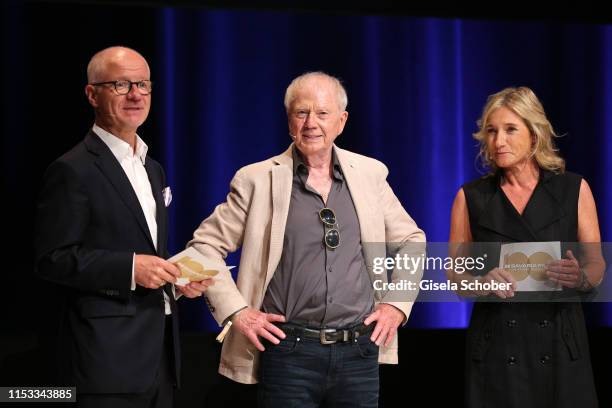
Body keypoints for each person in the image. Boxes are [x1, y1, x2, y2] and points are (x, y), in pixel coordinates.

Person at [188, 71, 425, 407]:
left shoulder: (370, 174)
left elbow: (411, 239)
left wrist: (396, 305)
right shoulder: (256, 179)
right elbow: (203, 248)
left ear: (341, 122)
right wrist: (237, 311)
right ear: (289, 122)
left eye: (323, 113)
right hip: (289, 351)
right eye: (302, 113)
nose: (311, 122)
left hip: (359, 350)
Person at [35, 46, 211, 408]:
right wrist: (131, 268)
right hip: (105, 362)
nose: (136, 94)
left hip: (159, 359)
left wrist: (174, 280)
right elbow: (52, 258)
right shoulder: (73, 169)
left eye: (143, 85)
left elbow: (144, 251)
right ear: (91, 94)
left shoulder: (153, 167)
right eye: (120, 84)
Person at [449, 86, 605, 408]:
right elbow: (455, 274)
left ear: (534, 135)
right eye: (491, 131)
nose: (498, 141)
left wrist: (579, 277)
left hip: (560, 340)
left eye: (510, 130)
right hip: (498, 347)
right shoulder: (471, 197)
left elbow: (597, 264)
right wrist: (481, 282)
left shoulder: (573, 189)